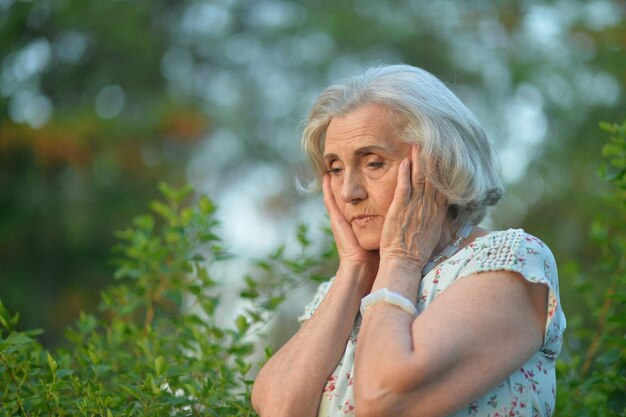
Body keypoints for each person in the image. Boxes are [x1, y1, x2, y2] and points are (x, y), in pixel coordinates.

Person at [251, 64, 566, 417]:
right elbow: (278, 409)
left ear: (438, 165)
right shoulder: (344, 290)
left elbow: (385, 400)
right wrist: (354, 270)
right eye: (335, 169)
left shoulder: (509, 263)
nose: (348, 192)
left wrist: (401, 259)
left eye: (373, 163)